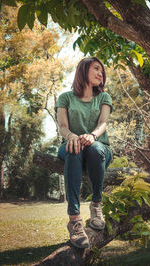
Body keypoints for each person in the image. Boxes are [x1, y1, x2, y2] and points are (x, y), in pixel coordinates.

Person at [56, 57, 113, 249]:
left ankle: (96, 206)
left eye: (102, 71)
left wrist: (92, 136)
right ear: (83, 71)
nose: (100, 73)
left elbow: (102, 124)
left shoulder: (104, 97)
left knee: (96, 150)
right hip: (72, 147)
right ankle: (75, 220)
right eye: (96, 69)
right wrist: (72, 136)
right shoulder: (65, 98)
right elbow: (62, 126)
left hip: (98, 147)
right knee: (73, 149)